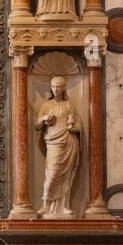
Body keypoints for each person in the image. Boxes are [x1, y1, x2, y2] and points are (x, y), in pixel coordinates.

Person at [35, 75, 80, 218]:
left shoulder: (69, 105)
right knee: (52, 174)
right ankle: (45, 205)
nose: (55, 89)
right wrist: (43, 119)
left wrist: (73, 128)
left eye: (58, 87)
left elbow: (78, 126)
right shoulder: (46, 105)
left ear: (63, 88)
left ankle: (64, 205)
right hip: (53, 142)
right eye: (53, 86)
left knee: (65, 175)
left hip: (68, 141)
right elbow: (36, 126)